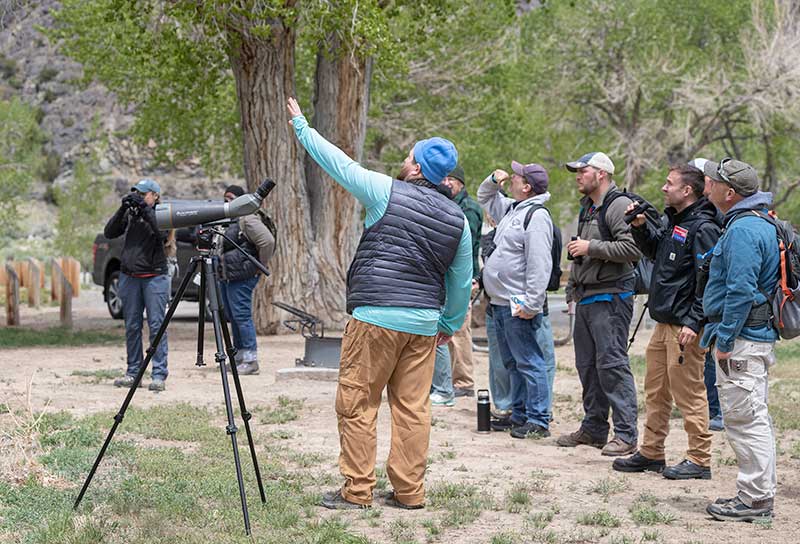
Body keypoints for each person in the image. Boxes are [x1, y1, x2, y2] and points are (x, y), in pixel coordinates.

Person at [286, 98, 472, 510]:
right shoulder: (458, 221)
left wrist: (302, 127)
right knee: (413, 409)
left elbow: (339, 164)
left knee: (358, 403)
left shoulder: (387, 191)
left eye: (409, 156)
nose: (404, 160)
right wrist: (449, 325)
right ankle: (409, 492)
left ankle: (357, 492)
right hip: (424, 325)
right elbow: (461, 282)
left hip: (374, 319)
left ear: (418, 168)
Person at [612, 164, 721, 479]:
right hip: (663, 323)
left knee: (689, 393)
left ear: (687, 190)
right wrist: (640, 226)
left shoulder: (703, 227)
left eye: (669, 183)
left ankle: (699, 460)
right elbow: (654, 255)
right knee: (656, 391)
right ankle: (652, 452)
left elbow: (709, 278)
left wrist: (694, 320)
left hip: (685, 327)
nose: (663, 188)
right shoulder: (676, 221)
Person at [701, 158, 778, 522]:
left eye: (713, 181)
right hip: (751, 336)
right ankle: (756, 496)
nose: (707, 185)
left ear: (729, 193)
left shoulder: (745, 229)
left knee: (745, 419)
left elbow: (741, 289)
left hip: (743, 339)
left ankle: (755, 501)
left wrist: (726, 339)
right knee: (751, 416)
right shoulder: (755, 221)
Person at [557, 152, 641, 456]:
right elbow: (578, 256)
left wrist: (590, 246)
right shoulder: (588, 208)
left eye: (583, 171)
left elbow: (633, 248)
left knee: (612, 366)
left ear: (601, 174)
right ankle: (593, 429)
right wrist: (571, 291)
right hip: (587, 296)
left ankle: (626, 434)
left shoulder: (617, 206)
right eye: (576, 171)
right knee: (588, 367)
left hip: (612, 297)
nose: (578, 176)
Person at [477, 161, 553, 439]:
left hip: (518, 303)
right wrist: (492, 179)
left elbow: (539, 263)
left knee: (530, 361)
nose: (511, 180)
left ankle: (538, 419)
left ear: (527, 186)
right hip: (499, 302)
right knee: (511, 362)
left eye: (516, 177)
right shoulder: (511, 208)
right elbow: (484, 197)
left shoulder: (537, 216)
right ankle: (519, 414)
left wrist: (532, 303)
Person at [105, 179, 170, 392]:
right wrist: (123, 208)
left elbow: (161, 234)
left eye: (143, 194)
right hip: (130, 277)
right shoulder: (131, 214)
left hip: (155, 278)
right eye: (137, 194)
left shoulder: (162, 212)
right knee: (132, 326)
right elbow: (110, 232)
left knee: (156, 326)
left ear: (155, 196)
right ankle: (133, 372)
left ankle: (159, 374)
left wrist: (144, 208)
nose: (139, 198)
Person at [430, 164, 483, 405]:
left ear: (459, 183)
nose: (446, 183)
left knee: (460, 331)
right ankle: (449, 380)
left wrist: (470, 279)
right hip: (448, 277)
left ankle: (464, 383)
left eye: (450, 179)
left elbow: (466, 246)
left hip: (465, 277)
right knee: (447, 333)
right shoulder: (450, 205)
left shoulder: (468, 209)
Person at [218, 184, 275, 375]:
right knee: (234, 316)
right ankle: (240, 355)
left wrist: (258, 266)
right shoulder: (230, 220)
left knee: (242, 316)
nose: (227, 201)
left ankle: (251, 360)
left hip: (243, 275)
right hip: (229, 276)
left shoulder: (247, 219)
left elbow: (267, 242)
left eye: (232, 197)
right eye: (225, 197)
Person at [689, 157, 724, 432]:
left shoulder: (714, 215)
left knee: (709, 350)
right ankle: (712, 408)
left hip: (711, 295)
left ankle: (716, 411)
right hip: (702, 293)